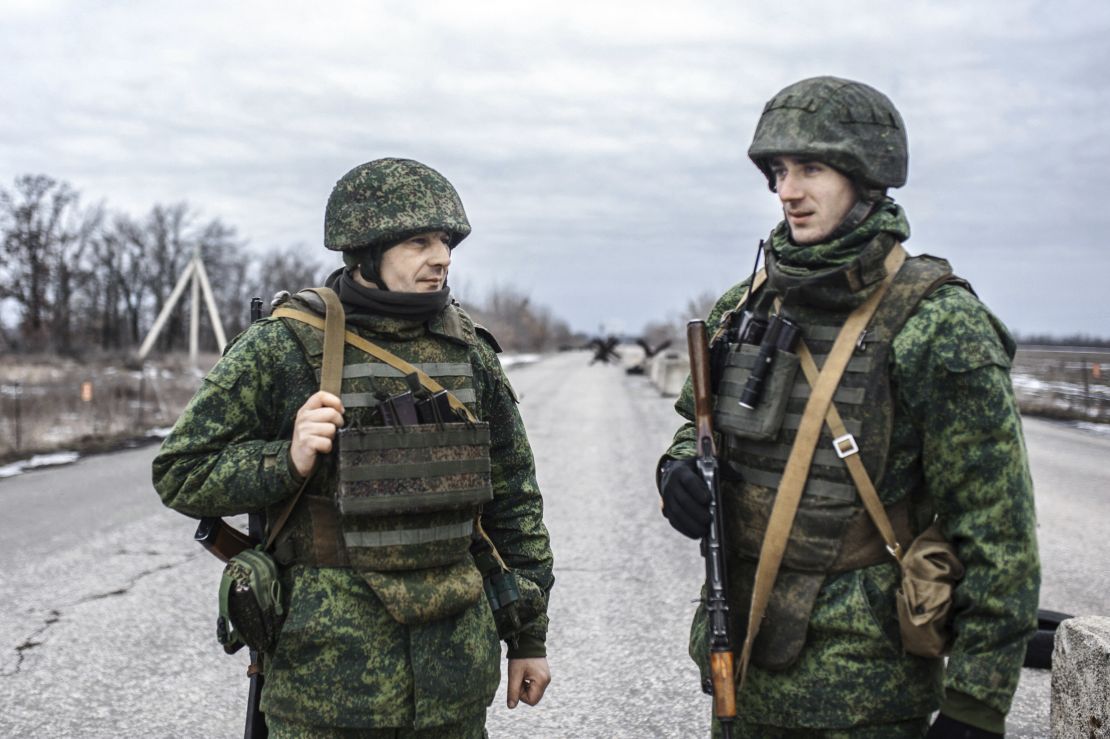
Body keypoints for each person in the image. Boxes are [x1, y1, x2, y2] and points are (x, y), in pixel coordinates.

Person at [657, 77, 1038, 738]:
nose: (787, 191)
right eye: (779, 171)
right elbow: (699, 425)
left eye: (810, 168)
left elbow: (997, 529)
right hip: (743, 666)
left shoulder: (936, 322)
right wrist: (679, 470)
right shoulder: (745, 305)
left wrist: (976, 701)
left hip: (866, 695)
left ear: (866, 177)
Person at [153, 158, 554, 738]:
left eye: (446, 242)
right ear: (365, 248)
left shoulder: (469, 352)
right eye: (420, 241)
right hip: (325, 684)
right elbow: (180, 472)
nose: (441, 257)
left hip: (455, 685)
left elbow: (513, 503)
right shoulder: (285, 344)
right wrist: (284, 459)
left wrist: (527, 637)